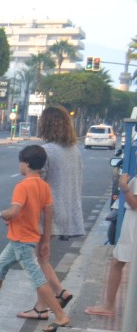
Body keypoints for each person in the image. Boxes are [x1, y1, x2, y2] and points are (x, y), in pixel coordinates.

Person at [0, 144, 70, 332]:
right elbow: (48, 213)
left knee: (37, 278)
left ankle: (60, 316)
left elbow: (14, 211)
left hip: (22, 240)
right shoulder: (43, 186)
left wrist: (2, 214)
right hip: (24, 237)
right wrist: (45, 241)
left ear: (26, 163)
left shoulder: (22, 186)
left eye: (20, 162)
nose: (19, 166)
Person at [35, 105, 82, 310]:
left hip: (48, 212)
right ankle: (41, 306)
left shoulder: (47, 151)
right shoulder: (73, 150)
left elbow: (37, 184)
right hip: (65, 209)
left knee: (38, 260)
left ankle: (58, 294)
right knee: (41, 258)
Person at [85, 168, 137, 318]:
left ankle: (108, 305)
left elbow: (134, 204)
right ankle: (108, 305)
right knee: (117, 262)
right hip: (131, 223)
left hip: (133, 225)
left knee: (118, 262)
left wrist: (124, 187)